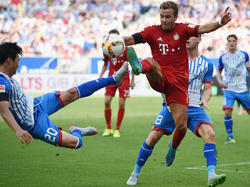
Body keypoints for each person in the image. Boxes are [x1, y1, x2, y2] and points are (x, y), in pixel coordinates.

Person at [124, 0, 231, 166]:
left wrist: (220, 23)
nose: (164, 20)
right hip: (166, 91)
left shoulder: (204, 60)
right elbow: (131, 39)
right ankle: (136, 171)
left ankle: (175, 150)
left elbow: (208, 86)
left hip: (187, 99)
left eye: (168, 17)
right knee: (152, 137)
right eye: (162, 16)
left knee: (190, 130)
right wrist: (115, 42)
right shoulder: (159, 39)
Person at [127, 35, 227, 187]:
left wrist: (205, 99)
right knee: (152, 138)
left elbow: (207, 89)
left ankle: (211, 175)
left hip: (194, 107)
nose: (187, 38)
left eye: (192, 36)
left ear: (199, 39)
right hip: (172, 104)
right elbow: (162, 83)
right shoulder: (173, 60)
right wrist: (166, 99)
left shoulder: (206, 64)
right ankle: (135, 172)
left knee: (210, 134)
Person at [0, 42, 128, 148]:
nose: (18, 64)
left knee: (71, 93)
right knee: (76, 143)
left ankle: (113, 79)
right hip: (35, 124)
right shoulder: (1, 81)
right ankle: (77, 131)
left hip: (36, 104)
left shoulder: (7, 78)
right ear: (9, 61)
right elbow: (4, 110)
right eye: (17, 60)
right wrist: (18, 130)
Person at [99, 29, 135, 138]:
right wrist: (100, 78)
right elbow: (105, 64)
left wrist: (132, 81)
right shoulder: (107, 49)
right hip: (111, 77)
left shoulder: (126, 49)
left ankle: (117, 129)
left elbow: (133, 64)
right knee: (107, 101)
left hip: (124, 78)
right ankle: (108, 128)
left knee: (122, 103)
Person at [216, 34, 250, 144]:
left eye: (233, 41)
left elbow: (249, 69)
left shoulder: (244, 55)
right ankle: (230, 137)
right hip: (229, 89)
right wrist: (220, 81)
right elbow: (219, 72)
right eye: (229, 41)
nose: (231, 43)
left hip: (242, 89)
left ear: (237, 42)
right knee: (227, 112)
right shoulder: (223, 57)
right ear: (227, 43)